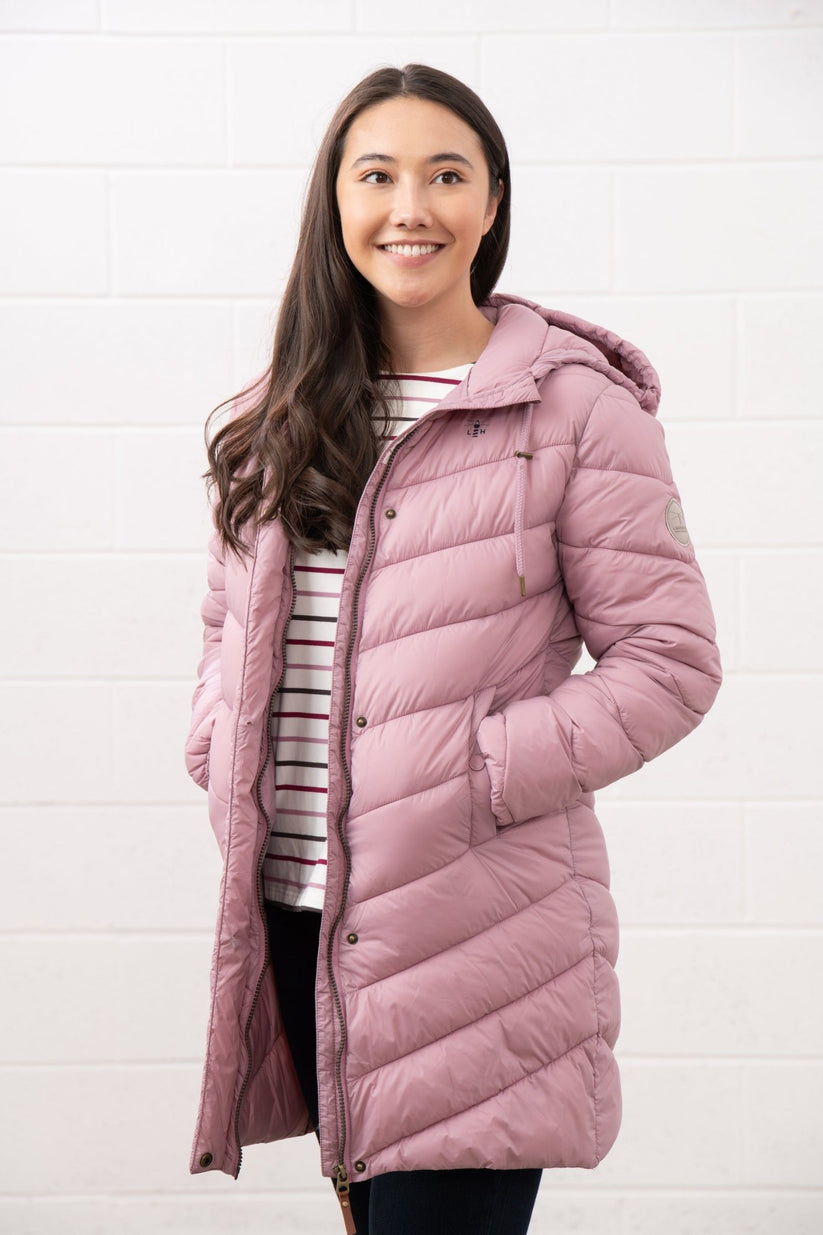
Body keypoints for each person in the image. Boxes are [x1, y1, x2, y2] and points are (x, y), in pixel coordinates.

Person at [184, 63, 721, 1235]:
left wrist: (480, 769)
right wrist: (219, 747)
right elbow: (229, 630)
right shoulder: (275, 415)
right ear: (335, 202)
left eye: (444, 175)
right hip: (300, 922)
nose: (409, 207)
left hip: (478, 936)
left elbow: (670, 659)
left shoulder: (573, 410)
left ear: (490, 202)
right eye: (376, 175)